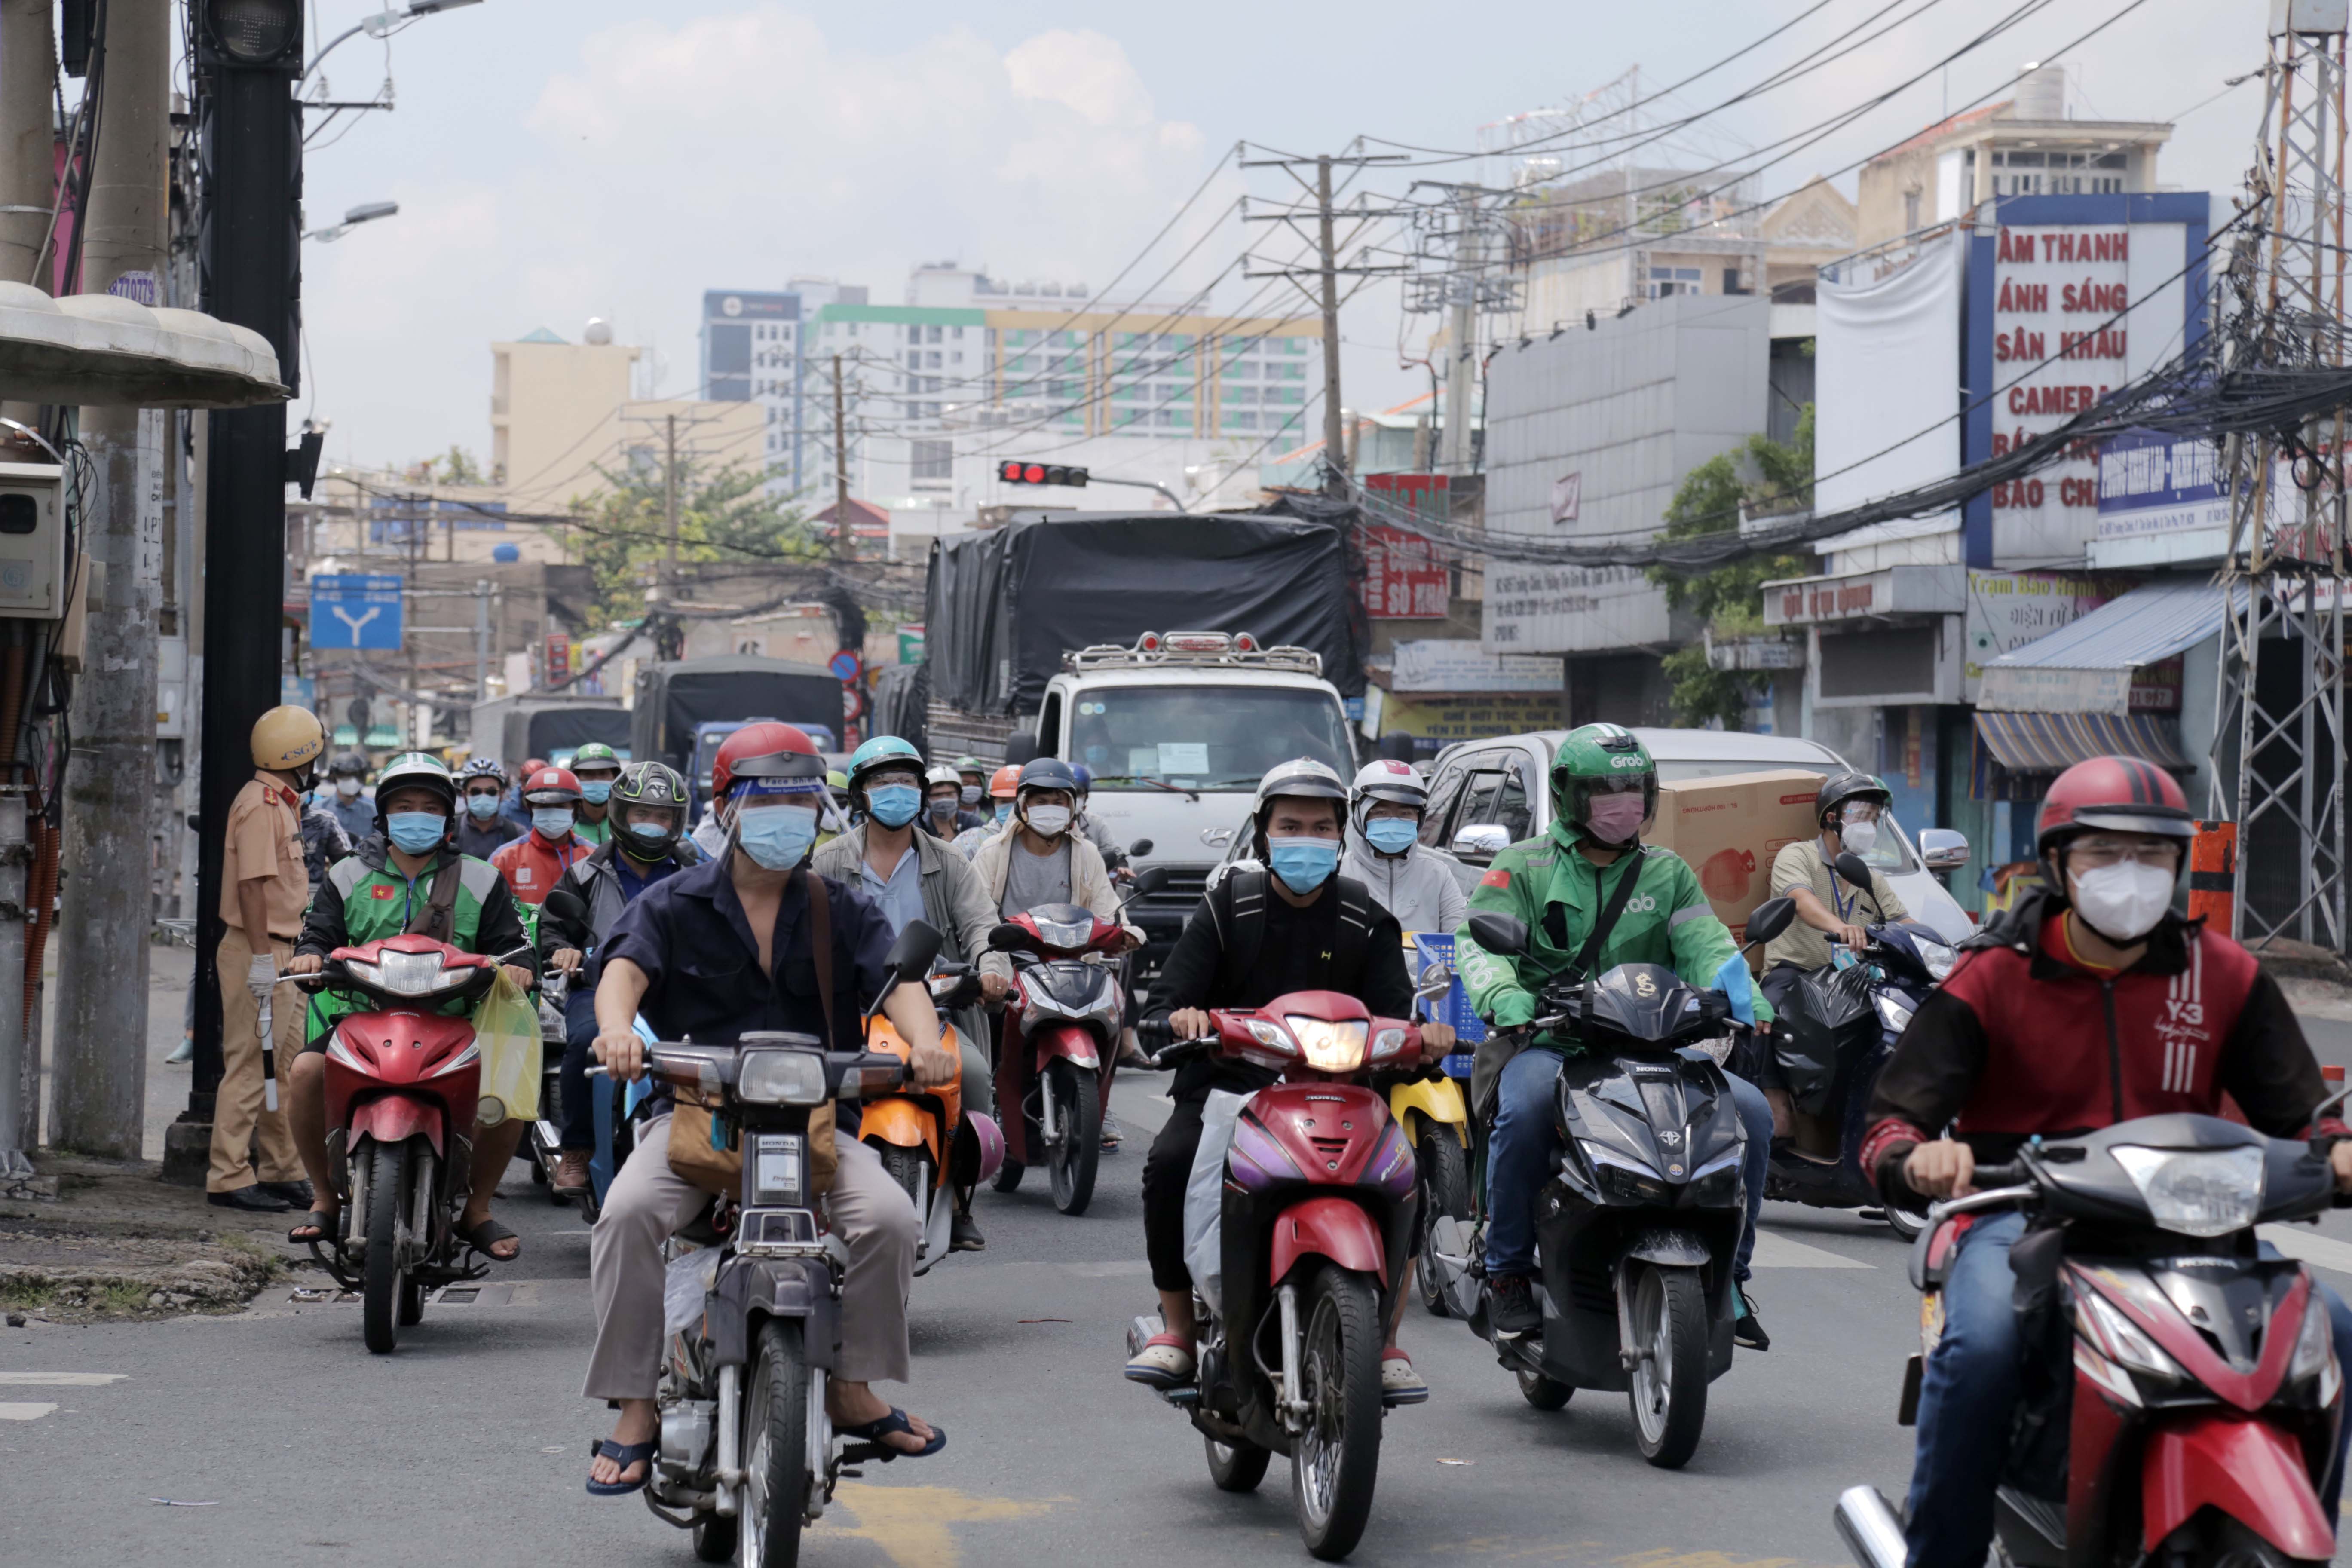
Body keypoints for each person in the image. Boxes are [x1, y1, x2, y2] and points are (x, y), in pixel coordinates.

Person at [1864, 756, 2352, 1568]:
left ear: (2177, 866)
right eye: (2103, 853)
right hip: (2017, 1213)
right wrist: (1919, 1157)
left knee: (2331, 1329)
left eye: (2152, 855)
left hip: (2188, 1222)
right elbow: (1890, 1123)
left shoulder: (2224, 975)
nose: (2130, 875)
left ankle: (2304, 1519)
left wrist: (2335, 1150)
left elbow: (2302, 1113)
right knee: (1982, 1349)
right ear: (2057, 863)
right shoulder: (1992, 977)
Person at [582, 723, 952, 1493]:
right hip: (696, 1120)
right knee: (624, 1215)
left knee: (890, 1218)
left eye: (798, 796)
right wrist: (618, 1031)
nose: (785, 812)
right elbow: (621, 970)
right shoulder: (672, 900)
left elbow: (903, 983)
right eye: (766, 796)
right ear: (726, 808)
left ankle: (854, 1385)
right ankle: (634, 1404)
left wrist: (925, 1044)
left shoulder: (840, 906)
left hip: (813, 1126)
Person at [1124, 757, 1454, 1401]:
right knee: (1169, 1162)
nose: (1308, 839)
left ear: (1342, 836)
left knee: (1404, 1177)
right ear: (1264, 833)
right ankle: (1178, 1328)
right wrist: (1185, 1020)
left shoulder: (1366, 917)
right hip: (1231, 1089)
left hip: (1346, 1095)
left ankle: (1382, 1338)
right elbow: (1164, 1005)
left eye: (1323, 827)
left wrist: (1426, 1038)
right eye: (1292, 825)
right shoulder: (1230, 908)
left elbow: (1398, 1013)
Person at [1457, 722, 1778, 1350]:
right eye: (1605, 791)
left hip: (1651, 1045)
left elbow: (1706, 942)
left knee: (1754, 1116)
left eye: (1634, 790)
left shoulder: (1668, 873)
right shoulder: (1522, 866)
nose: (1621, 804)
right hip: (1552, 1045)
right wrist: (1507, 998)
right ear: (1568, 794)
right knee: (1522, 1114)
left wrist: (1745, 998)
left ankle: (1733, 1277)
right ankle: (1508, 1274)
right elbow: (1479, 942)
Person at [281, 752, 537, 1259]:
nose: (416, 815)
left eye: (428, 806)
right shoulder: (347, 875)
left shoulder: (482, 879)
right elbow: (316, 934)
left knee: (507, 1091)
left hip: (458, 1021)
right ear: (385, 815)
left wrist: (521, 964)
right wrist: (309, 957)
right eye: (404, 805)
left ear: (447, 818)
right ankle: (324, 1197)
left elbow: (514, 943)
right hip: (360, 1018)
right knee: (306, 1073)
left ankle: (477, 1209)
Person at [813, 736, 1010, 1250]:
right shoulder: (829, 862)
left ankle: (963, 1198)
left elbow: (981, 925)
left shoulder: (949, 861)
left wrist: (992, 967)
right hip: (848, 1010)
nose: (895, 792)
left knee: (973, 1075)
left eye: (905, 782)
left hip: (935, 1006)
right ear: (859, 795)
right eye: (882, 782)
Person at [537, 761, 702, 1197]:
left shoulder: (696, 874)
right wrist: (562, 951)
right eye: (641, 815)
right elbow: (552, 927)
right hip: (597, 987)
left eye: (662, 817)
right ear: (620, 815)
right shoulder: (585, 874)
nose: (652, 825)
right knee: (583, 1047)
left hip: (677, 991)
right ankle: (576, 1149)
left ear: (677, 821)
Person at [207, 707, 330, 1213]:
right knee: (248, 1065)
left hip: (286, 950)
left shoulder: (282, 803)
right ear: (298, 757)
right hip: (262, 949)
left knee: (284, 1068)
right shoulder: (260, 805)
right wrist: (262, 958)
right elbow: (252, 886)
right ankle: (228, 1174)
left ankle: (283, 1168)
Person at [1762, 771, 1907, 971]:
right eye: (1863, 816)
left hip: (1847, 980)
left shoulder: (1872, 880)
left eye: (1874, 820)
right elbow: (1801, 900)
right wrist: (1841, 927)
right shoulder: (1797, 856)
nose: (1870, 827)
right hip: (1795, 974)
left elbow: (1903, 922)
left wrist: (1938, 947)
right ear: (1832, 819)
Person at [1340, 758, 1467, 936]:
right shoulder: (1340, 874)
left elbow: (1461, 940)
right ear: (1360, 815)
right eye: (1381, 812)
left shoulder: (1437, 875)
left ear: (1420, 819)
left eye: (1405, 813)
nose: (1394, 820)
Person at [490, 763, 589, 908]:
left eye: (561, 806)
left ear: (576, 809)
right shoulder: (504, 859)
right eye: (543, 806)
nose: (552, 812)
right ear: (531, 809)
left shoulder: (592, 858)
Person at [456, 756, 524, 861]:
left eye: (491, 792)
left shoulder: (517, 834)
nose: (484, 797)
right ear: (465, 795)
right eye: (476, 792)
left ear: (501, 795)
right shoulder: (449, 832)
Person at [951, 763, 1021, 861]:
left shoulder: (1043, 841)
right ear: (994, 804)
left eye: (1017, 801)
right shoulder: (970, 842)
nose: (1011, 809)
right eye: (1004, 802)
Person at [1069, 763, 1127, 871]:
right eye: (1069, 793)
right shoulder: (1048, 825)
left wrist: (1122, 865)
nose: (1074, 798)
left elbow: (1112, 851)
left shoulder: (1095, 822)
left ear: (1086, 797)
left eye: (1079, 793)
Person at [568, 742, 624, 847]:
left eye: (603, 774)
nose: (596, 780)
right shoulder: (567, 823)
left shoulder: (623, 821)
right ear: (576, 779)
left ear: (615, 778)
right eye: (588, 774)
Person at [321, 749, 375, 841]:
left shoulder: (373, 812)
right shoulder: (319, 810)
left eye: (357, 776)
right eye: (346, 776)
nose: (352, 781)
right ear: (334, 777)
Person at [921, 763, 983, 839]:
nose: (945, 800)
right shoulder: (919, 827)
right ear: (927, 799)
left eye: (950, 794)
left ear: (959, 796)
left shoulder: (974, 824)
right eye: (938, 795)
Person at [503, 757, 549, 832]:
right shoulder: (506, 810)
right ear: (522, 783)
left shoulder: (552, 810)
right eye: (529, 781)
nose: (535, 787)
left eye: (540, 782)